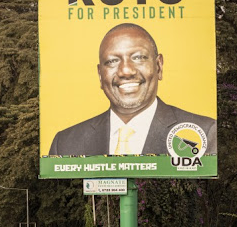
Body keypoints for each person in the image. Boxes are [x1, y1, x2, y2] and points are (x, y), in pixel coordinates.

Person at [48, 23, 217, 156]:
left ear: (158, 66)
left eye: (138, 57)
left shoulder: (204, 133)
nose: (125, 71)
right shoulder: (64, 144)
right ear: (100, 75)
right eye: (112, 61)